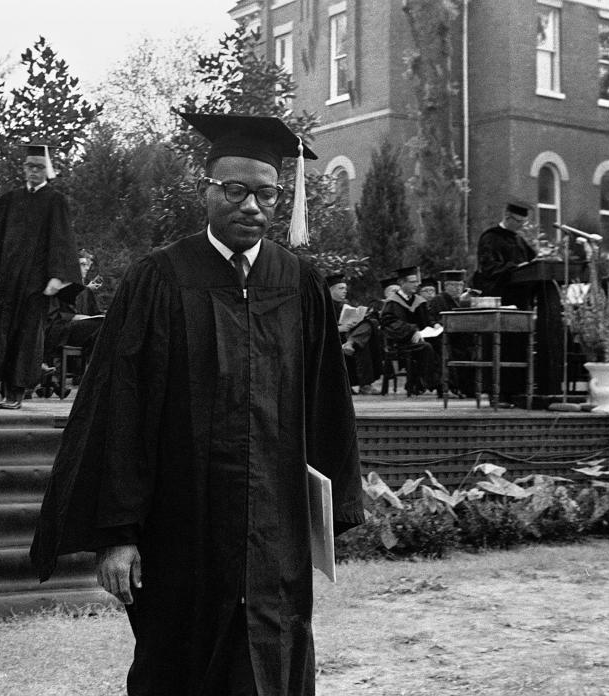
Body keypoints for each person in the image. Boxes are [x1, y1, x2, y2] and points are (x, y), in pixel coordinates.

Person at [30, 112, 364, 696]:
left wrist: (329, 516)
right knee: (178, 665)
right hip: (180, 530)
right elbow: (118, 412)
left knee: (274, 658)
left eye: (265, 193)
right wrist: (118, 532)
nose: (251, 206)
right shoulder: (158, 279)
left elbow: (327, 405)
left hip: (273, 534)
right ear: (206, 191)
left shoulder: (300, 282)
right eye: (235, 190)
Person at [0, 143, 81, 409]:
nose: (34, 172)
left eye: (40, 167)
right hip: (10, 280)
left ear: (47, 171)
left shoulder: (55, 201)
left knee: (27, 336)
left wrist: (57, 276)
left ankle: (17, 391)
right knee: (6, 332)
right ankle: (8, 388)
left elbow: (62, 241)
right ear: (24, 168)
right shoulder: (11, 199)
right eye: (30, 167)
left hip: (36, 284)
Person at [472, 203, 537, 406]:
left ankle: (518, 392)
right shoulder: (490, 238)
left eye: (524, 223)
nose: (521, 227)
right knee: (500, 347)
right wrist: (514, 268)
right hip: (500, 299)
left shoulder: (519, 240)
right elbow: (489, 267)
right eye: (519, 222)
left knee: (518, 348)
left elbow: (534, 263)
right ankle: (497, 394)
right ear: (508, 216)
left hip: (520, 302)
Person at [39, 253, 105, 398]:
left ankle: (92, 374)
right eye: (81, 264)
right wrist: (77, 317)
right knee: (98, 327)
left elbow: (96, 312)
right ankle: (90, 376)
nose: (85, 268)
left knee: (104, 325)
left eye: (87, 265)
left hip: (82, 327)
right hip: (61, 327)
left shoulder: (86, 291)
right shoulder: (62, 285)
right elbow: (56, 314)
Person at [379, 266, 438, 395]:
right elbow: (389, 323)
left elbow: (427, 321)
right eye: (412, 282)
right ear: (401, 283)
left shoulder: (418, 301)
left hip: (419, 339)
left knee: (441, 343)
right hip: (400, 342)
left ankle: (442, 385)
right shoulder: (392, 302)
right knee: (426, 347)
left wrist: (435, 325)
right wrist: (413, 331)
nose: (416, 285)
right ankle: (423, 383)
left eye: (417, 282)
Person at [328, 273, 381, 394]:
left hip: (348, 338)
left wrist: (355, 322)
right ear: (330, 290)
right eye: (341, 288)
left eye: (345, 289)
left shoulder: (344, 306)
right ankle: (364, 385)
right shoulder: (322, 306)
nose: (344, 291)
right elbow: (317, 327)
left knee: (370, 322)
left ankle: (351, 343)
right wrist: (339, 329)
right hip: (332, 339)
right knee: (361, 344)